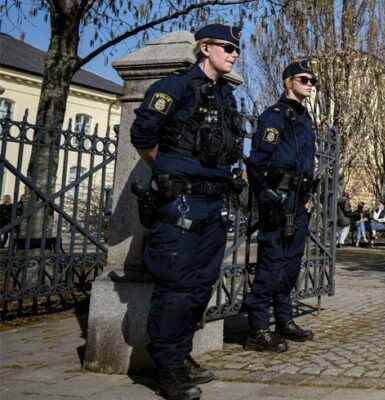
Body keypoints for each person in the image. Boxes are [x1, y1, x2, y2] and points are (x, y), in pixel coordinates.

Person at [130, 23, 246, 400]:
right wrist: (170, 169)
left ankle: (181, 356)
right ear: (205, 48)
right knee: (176, 286)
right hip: (181, 202)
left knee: (200, 285)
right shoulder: (173, 87)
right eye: (227, 47)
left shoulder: (226, 96)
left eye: (236, 49)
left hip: (214, 202)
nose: (233, 54)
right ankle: (165, 367)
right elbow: (143, 136)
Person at [240, 58, 320, 354]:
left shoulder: (305, 118)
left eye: (312, 81)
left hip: (299, 200)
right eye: (303, 79)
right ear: (288, 82)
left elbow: (306, 163)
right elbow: (258, 161)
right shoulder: (274, 116)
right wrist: (268, 194)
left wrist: (308, 194)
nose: (309, 85)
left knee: (291, 264)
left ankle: (284, 320)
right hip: (277, 199)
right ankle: (258, 328)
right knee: (271, 263)